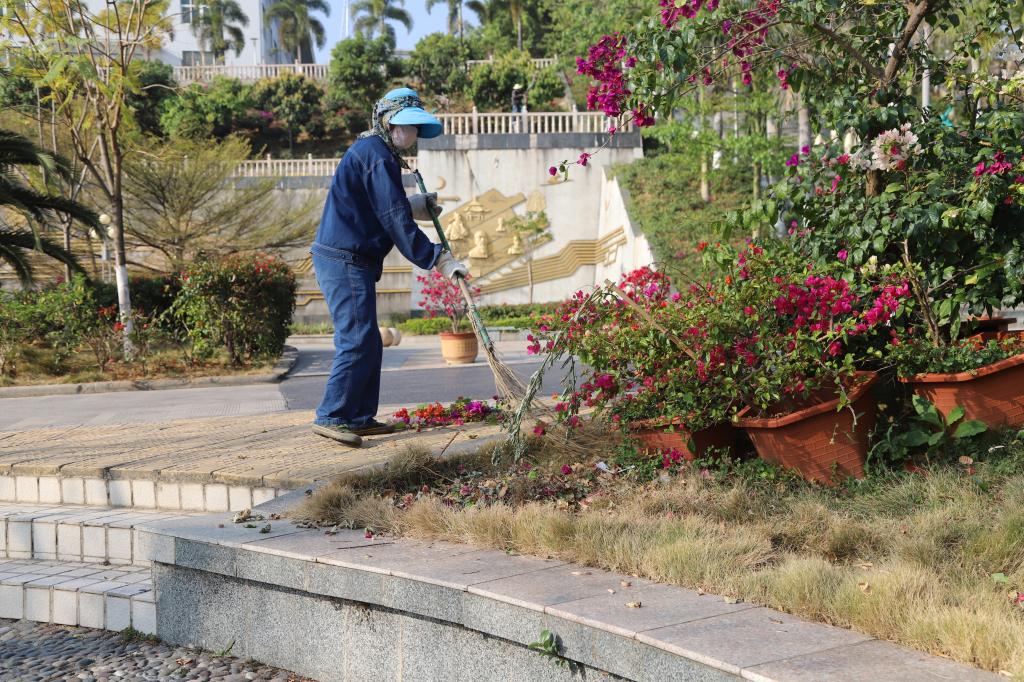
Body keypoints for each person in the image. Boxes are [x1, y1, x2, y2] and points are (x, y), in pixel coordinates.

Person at [310, 87, 468, 447]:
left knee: (368, 340)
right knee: (356, 339)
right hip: (343, 258)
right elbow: (394, 220)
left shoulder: (374, 152)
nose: (411, 135)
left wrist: (413, 204)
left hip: (351, 258)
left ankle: (359, 416)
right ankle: (332, 415)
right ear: (386, 123)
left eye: (414, 128)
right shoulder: (378, 155)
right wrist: (438, 257)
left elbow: (381, 207)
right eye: (405, 126)